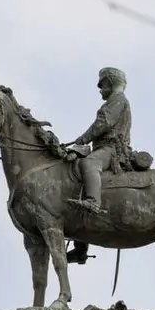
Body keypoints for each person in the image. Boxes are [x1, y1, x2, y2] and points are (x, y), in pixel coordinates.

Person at [64, 67, 133, 215]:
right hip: (105, 148)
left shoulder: (118, 99)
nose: (100, 89)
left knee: (89, 163)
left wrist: (83, 139)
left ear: (110, 82)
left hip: (112, 149)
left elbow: (103, 123)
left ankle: (93, 201)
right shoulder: (117, 100)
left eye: (102, 85)